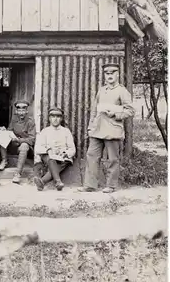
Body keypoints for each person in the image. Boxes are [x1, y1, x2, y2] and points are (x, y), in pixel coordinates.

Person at [79, 62, 135, 194]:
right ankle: (90, 185)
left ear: (117, 74)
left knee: (112, 159)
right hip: (97, 129)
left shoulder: (122, 91)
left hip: (112, 129)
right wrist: (90, 126)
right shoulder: (101, 90)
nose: (109, 76)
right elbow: (94, 110)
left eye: (112, 73)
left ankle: (111, 185)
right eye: (107, 73)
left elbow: (131, 111)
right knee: (92, 155)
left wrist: (116, 114)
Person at [33, 107, 76, 191]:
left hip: (62, 158)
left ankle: (42, 182)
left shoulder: (66, 131)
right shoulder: (45, 131)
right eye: (53, 117)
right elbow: (38, 148)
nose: (55, 119)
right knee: (51, 159)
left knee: (60, 163)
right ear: (49, 118)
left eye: (58, 117)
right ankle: (58, 181)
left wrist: (65, 153)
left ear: (61, 118)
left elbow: (72, 149)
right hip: (48, 156)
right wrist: (48, 150)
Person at [7, 100, 36, 184]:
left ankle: (17, 174)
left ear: (27, 111)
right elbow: (9, 132)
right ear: (16, 111)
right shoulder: (13, 120)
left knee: (24, 145)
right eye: (19, 110)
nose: (21, 113)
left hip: (27, 148)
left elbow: (32, 139)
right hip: (14, 147)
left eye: (23, 110)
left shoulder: (30, 122)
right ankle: (3, 161)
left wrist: (19, 140)